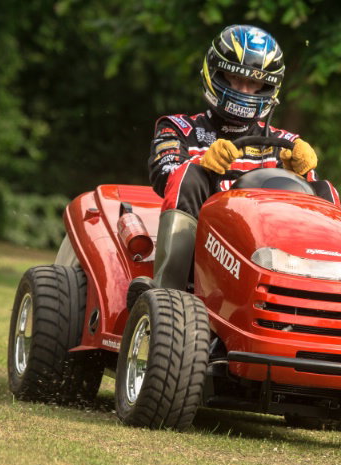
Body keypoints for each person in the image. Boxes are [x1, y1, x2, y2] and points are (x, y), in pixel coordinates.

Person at [128, 24, 320, 303]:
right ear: (215, 74)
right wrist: (203, 164)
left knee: (323, 190)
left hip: (269, 256)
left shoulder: (287, 145)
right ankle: (165, 295)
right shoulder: (178, 128)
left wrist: (303, 175)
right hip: (202, 257)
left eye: (255, 83)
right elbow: (164, 175)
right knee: (188, 174)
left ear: (269, 87)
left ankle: (328, 291)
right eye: (234, 78)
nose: (244, 90)